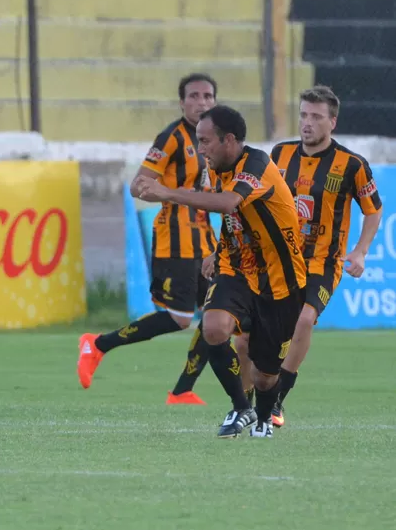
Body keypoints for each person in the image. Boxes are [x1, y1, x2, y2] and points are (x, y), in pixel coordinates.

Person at [136, 105, 307, 438]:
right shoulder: (215, 167)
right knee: (214, 327)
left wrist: (168, 193)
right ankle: (240, 407)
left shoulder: (256, 164)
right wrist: (218, 250)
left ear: (229, 140)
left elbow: (230, 203)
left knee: (264, 374)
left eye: (205, 141)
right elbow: (235, 217)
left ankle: (264, 414)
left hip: (280, 278)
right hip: (238, 267)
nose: (201, 150)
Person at [77, 74, 231, 405]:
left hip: (205, 240)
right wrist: (169, 192)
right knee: (179, 318)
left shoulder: (214, 139)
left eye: (207, 96)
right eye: (194, 96)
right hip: (174, 239)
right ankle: (98, 344)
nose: (201, 102)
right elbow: (138, 184)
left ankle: (182, 391)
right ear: (182, 102)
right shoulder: (172, 138)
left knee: (219, 313)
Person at [235, 86, 383, 428]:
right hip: (277, 258)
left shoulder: (352, 164)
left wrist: (360, 251)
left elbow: (373, 210)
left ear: (332, 122)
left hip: (322, 262)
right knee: (247, 335)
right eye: (303, 115)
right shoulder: (278, 153)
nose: (307, 123)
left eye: (316, 117)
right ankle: (243, 405)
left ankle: (277, 398)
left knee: (304, 319)